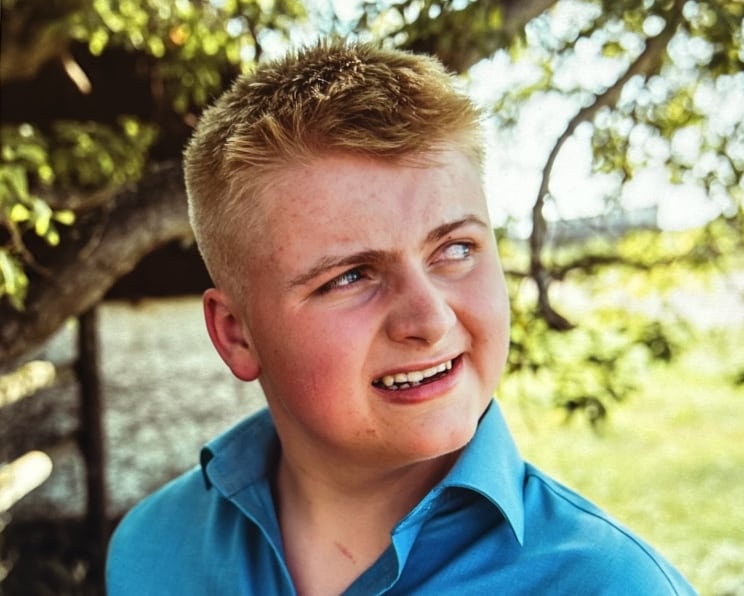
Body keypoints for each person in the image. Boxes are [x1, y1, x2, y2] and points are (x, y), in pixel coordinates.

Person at [106, 40, 696, 595]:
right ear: (236, 334)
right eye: (350, 276)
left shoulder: (609, 583)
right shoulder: (151, 550)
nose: (431, 319)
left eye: (456, 249)